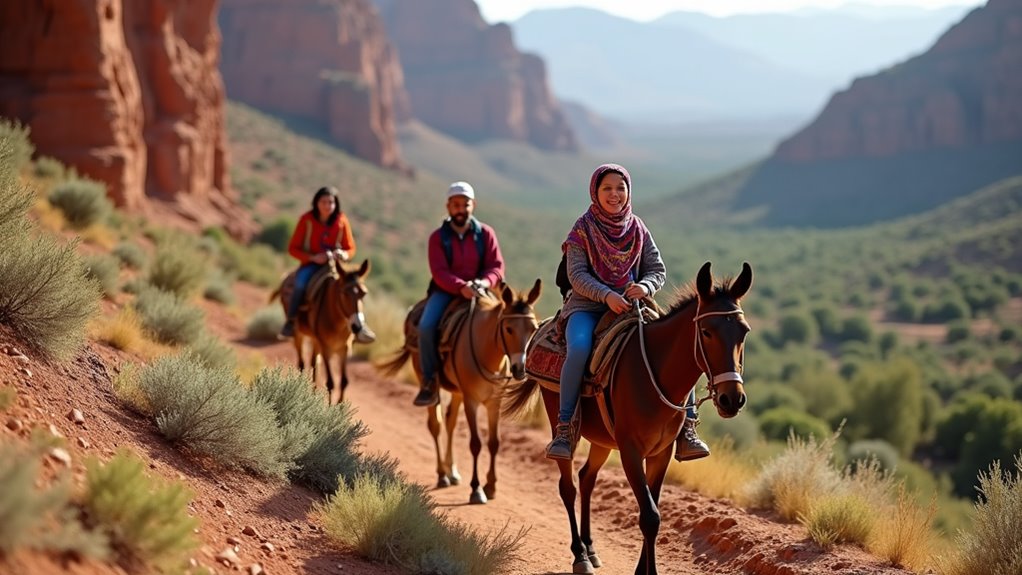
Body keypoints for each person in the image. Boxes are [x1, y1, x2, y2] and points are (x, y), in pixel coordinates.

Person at [545, 164, 709, 462]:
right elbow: (576, 274)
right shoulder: (582, 229)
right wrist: (606, 295)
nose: (614, 194)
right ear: (595, 191)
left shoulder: (637, 228)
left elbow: (656, 269)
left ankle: (688, 428)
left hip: (634, 306)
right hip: (587, 306)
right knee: (579, 348)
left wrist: (645, 287)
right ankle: (566, 428)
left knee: (678, 344)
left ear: (628, 192)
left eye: (620, 188)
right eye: (607, 188)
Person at [412, 181, 506, 407]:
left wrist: (483, 282)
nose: (460, 209)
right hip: (447, 292)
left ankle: (508, 375)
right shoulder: (438, 237)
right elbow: (439, 271)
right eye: (455, 205)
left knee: (508, 322)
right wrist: (460, 287)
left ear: (473, 205)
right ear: (448, 206)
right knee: (426, 326)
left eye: (465, 204)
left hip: (480, 290)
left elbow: (496, 266)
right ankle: (429, 381)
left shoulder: (486, 234)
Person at [279, 186, 376, 344]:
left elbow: (350, 248)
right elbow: (292, 249)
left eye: (330, 202)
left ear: (335, 204)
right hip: (311, 265)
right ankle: (291, 322)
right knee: (300, 284)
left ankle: (359, 326)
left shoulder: (342, 221)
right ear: (316, 203)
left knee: (352, 290)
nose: (327, 205)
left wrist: (344, 254)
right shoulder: (306, 220)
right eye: (323, 202)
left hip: (336, 267)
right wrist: (313, 257)